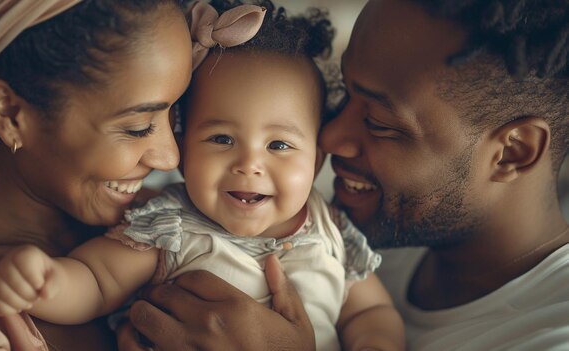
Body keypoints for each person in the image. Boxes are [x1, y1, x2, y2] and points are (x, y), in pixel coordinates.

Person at [124, 0, 569, 350]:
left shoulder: (548, 335)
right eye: (344, 95)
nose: (330, 138)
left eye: (378, 122)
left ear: (513, 152)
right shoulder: (363, 224)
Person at [0, 1, 406, 350]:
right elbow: (97, 280)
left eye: (278, 145)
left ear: (316, 162)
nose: (249, 164)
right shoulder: (169, 226)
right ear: (182, 149)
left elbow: (371, 312)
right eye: (221, 138)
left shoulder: (334, 232)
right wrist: (46, 283)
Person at [0, 0, 192, 350]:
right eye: (138, 128)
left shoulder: (159, 223)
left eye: (175, 115)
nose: (170, 158)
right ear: (11, 115)